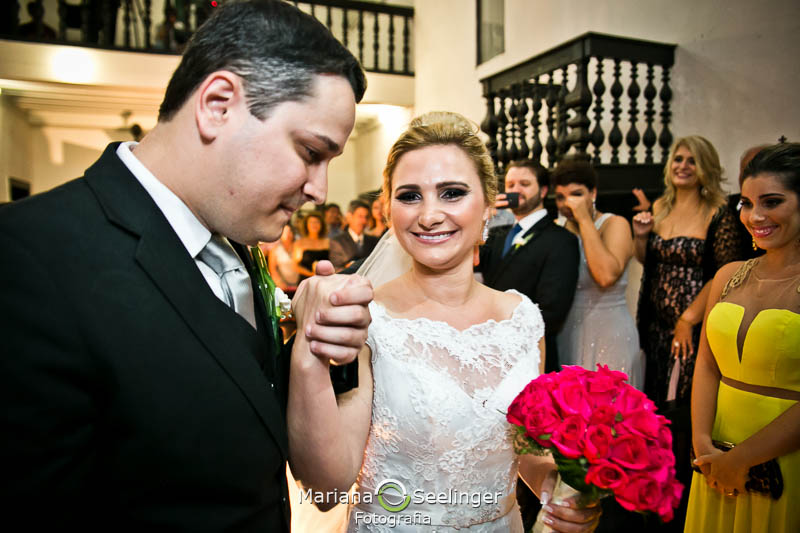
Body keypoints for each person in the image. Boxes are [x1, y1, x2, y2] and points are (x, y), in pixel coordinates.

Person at [0, 2, 372, 530]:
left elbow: (235, 393)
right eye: (311, 152)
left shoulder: (237, 241)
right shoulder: (27, 254)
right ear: (218, 105)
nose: (319, 189)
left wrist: (311, 346)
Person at [290, 111, 600, 532]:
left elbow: (521, 447)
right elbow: (328, 483)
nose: (429, 214)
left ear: (490, 203)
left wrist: (555, 483)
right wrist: (308, 352)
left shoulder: (523, 319)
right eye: (410, 196)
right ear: (388, 209)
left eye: (452, 193)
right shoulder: (366, 319)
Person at [685, 142, 800, 533]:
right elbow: (706, 364)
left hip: (786, 459)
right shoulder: (729, 274)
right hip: (715, 456)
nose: (756, 216)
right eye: (747, 204)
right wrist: (703, 446)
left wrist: (743, 460)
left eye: (771, 202)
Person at [632, 135, 741, 408]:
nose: (683, 166)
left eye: (692, 161)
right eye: (678, 159)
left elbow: (725, 273)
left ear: (706, 167)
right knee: (656, 401)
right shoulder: (660, 207)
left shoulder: (718, 212)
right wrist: (641, 237)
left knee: (683, 404)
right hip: (656, 325)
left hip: (694, 326)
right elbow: (649, 263)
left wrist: (688, 320)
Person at [478, 159, 579, 375]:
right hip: (488, 354)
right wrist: (483, 217)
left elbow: (552, 312)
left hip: (530, 356)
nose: (516, 190)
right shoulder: (497, 235)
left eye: (524, 183)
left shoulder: (561, 240)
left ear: (543, 191)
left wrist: (502, 332)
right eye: (511, 184)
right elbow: (471, 263)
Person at [552, 159, 643, 388]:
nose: (568, 203)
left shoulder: (615, 224)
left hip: (610, 334)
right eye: (561, 197)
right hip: (568, 334)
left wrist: (584, 219)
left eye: (576, 194)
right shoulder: (557, 229)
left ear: (593, 193)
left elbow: (605, 276)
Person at [329, 199, 379, 270]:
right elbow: (335, 268)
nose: (364, 221)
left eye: (366, 217)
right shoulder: (337, 241)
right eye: (360, 216)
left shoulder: (374, 240)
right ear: (349, 216)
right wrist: (348, 268)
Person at [293, 211, 330, 281]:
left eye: (317, 222)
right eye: (311, 222)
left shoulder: (328, 242)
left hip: (325, 280)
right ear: (306, 225)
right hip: (306, 279)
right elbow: (296, 266)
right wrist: (311, 274)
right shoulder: (300, 243)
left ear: (322, 225)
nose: (314, 225)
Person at [268, 224, 300, 292]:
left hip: (299, 284)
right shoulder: (275, 250)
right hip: (283, 286)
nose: (287, 235)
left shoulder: (298, 247)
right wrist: (280, 283)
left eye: (289, 232)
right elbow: (272, 270)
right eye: (284, 232)